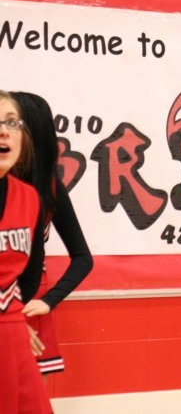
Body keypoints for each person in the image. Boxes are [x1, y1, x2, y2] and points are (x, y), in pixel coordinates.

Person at [10, 92, 93, 377]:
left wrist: (49, 300)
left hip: (29, 301)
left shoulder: (49, 186)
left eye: (12, 123)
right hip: (8, 308)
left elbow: (83, 258)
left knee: (31, 392)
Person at [0, 90, 51, 413]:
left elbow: (30, 271)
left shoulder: (29, 198)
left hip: (11, 333)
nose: (4, 132)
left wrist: (17, 318)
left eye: (11, 123)